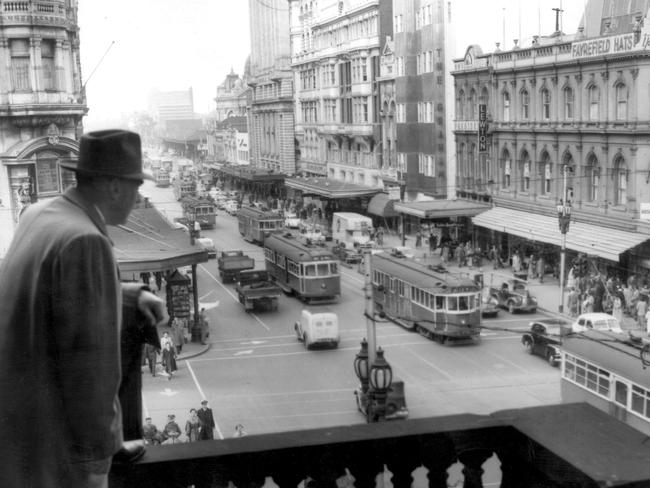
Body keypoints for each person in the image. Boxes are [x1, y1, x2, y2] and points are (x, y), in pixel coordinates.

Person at [0, 130, 166, 487]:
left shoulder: (40, 213)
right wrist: (96, 462)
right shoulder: (86, 240)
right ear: (113, 185)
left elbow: (49, 292)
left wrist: (129, 294)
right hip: (54, 449)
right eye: (135, 184)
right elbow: (92, 370)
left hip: (15, 430)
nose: (138, 195)